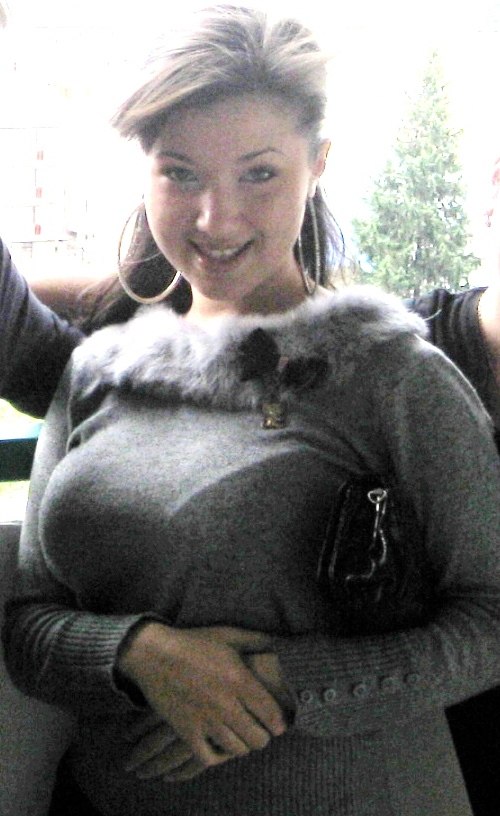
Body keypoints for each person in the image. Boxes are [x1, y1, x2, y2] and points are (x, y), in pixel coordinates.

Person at [2, 6, 500, 816]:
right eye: (180, 173)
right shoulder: (96, 372)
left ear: (318, 164)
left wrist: (282, 685)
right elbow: (30, 625)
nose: (215, 217)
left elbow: (491, 618)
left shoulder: (393, 375)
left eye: (259, 174)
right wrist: (139, 653)